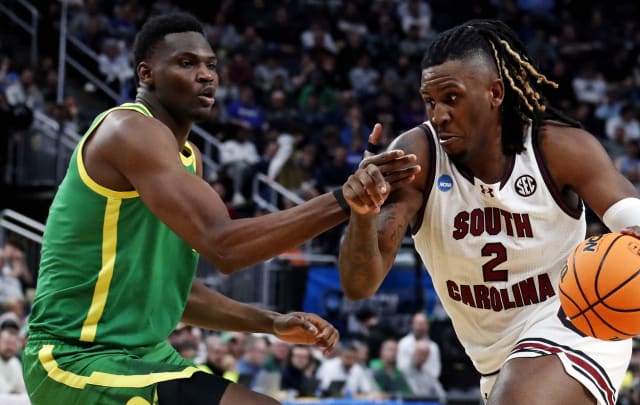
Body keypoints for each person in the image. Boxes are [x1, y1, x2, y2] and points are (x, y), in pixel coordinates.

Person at [22, 12, 418, 405]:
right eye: (186, 63)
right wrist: (343, 200)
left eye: (211, 65)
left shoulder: (190, 158)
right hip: (74, 357)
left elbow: (177, 293)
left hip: (144, 356)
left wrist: (271, 323)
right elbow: (225, 248)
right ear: (146, 74)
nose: (206, 74)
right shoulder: (127, 131)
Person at [338, 19, 640, 405]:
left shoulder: (558, 148)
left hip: (575, 322)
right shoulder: (419, 158)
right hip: (495, 364)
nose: (438, 114)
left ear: (495, 93)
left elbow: (639, 222)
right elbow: (358, 285)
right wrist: (361, 213)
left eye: (452, 98)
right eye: (429, 101)